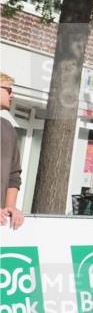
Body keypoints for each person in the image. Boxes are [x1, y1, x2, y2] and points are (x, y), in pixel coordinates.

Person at [0, 73, 24, 230]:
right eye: (8, 89)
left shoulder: (8, 128)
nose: (12, 94)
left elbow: (14, 175)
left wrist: (10, 208)